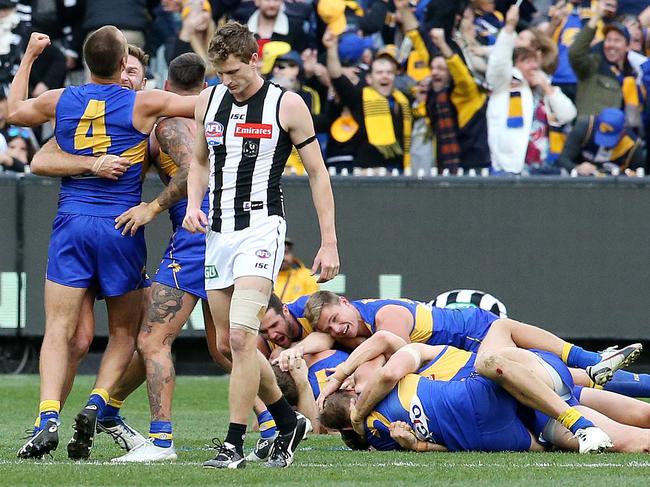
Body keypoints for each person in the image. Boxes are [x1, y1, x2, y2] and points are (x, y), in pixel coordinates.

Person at [12, 27, 196, 460]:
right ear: (120, 68)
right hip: (121, 226)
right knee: (123, 332)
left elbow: (14, 112)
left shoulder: (63, 100)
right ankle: (97, 404)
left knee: (57, 330)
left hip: (72, 222)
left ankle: (48, 417)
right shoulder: (143, 104)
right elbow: (200, 101)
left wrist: (30, 57)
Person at [182, 20, 339, 469]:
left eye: (233, 72)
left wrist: (329, 242)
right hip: (217, 233)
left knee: (240, 335)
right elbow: (198, 162)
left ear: (255, 59)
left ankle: (233, 444)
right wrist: (194, 203)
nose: (226, 81)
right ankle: (288, 419)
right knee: (231, 347)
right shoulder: (208, 101)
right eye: (220, 73)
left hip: (260, 229)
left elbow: (318, 173)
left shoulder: (286, 104)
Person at [320, 333, 650, 454]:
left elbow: (385, 343)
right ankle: (589, 370)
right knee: (635, 436)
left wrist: (346, 376)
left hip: (524, 385)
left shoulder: (414, 359)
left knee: (495, 352)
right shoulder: (396, 400)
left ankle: (589, 366)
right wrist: (416, 445)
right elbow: (385, 351)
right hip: (529, 407)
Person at [298, 292, 641, 388]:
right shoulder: (356, 323)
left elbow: (401, 363)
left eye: (336, 320)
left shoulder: (387, 316)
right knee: (552, 377)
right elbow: (322, 340)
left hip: (476, 332)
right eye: (330, 328)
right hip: (464, 346)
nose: (337, 330)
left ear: (344, 302)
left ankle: (592, 360)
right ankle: (596, 363)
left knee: (552, 375)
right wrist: (297, 349)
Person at [486, 4, 577, 175]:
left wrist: (546, 88)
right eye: (526, 61)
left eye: (534, 60)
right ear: (515, 64)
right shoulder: (504, 82)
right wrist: (509, 27)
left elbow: (568, 114)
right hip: (509, 167)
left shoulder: (545, 87)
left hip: (543, 168)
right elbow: (497, 64)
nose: (532, 66)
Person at [323, 28, 412, 173]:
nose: (385, 76)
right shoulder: (359, 97)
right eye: (379, 72)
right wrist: (332, 48)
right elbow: (336, 77)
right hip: (366, 169)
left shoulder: (403, 100)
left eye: (389, 73)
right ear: (369, 79)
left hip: (396, 169)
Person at [569, 1, 636, 116]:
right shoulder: (594, 64)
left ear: (627, 46)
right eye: (608, 40)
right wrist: (596, 18)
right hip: (589, 131)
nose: (611, 45)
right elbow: (575, 54)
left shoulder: (631, 74)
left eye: (617, 40)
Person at [556, 106, 645, 175]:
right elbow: (562, 160)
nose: (605, 144)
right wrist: (576, 167)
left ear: (623, 132)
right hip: (581, 183)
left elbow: (640, 175)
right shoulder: (586, 127)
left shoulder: (632, 145)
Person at [273, 239, 318, 303]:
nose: (283, 257)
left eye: (286, 252)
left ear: (292, 254)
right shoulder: (265, 276)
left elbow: (313, 303)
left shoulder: (307, 276)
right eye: (279, 253)